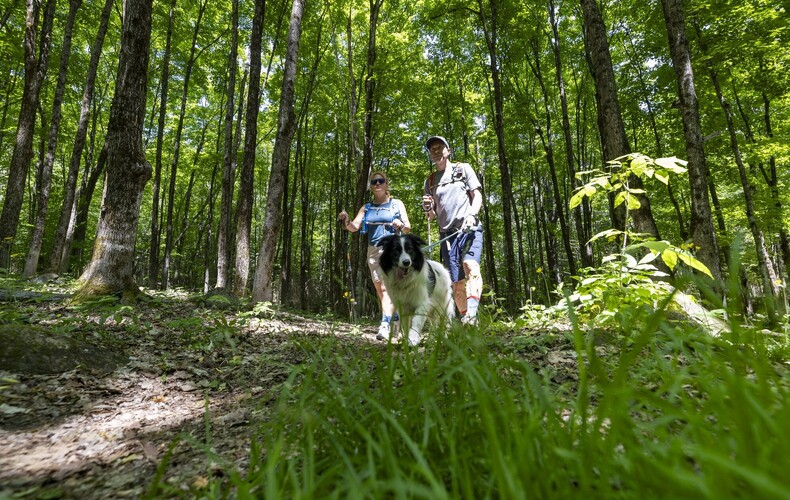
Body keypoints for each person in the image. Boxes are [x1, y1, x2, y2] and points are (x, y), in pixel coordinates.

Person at [339, 171, 411, 341]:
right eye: (374, 182)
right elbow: (354, 227)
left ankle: (384, 325)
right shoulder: (367, 208)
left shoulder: (396, 204)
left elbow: (407, 227)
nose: (377, 184)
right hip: (373, 251)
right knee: (381, 290)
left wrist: (400, 224)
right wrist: (346, 220)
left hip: (392, 250)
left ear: (386, 184)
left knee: (387, 288)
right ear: (371, 187)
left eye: (381, 181)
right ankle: (397, 323)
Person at [422, 135, 484, 325]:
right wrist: (427, 208)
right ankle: (466, 318)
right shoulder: (430, 181)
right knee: (457, 284)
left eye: (440, 147)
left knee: (470, 266)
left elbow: (477, 195)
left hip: (469, 228)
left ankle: (472, 314)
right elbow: (431, 216)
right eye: (433, 149)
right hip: (447, 236)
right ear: (430, 155)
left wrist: (472, 215)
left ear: (448, 151)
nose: (437, 151)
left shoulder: (463, 169)